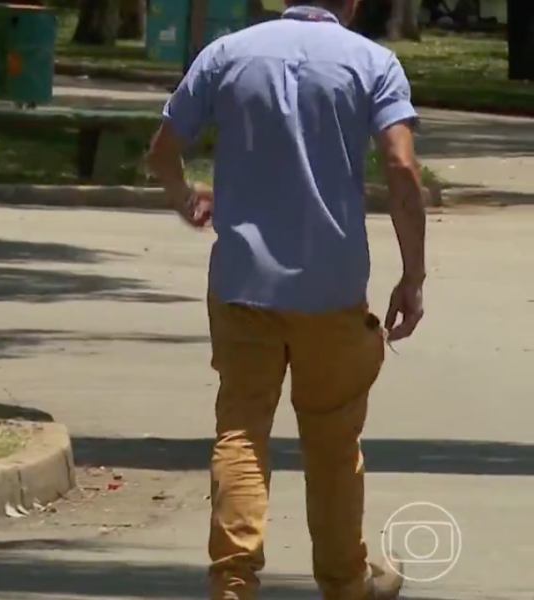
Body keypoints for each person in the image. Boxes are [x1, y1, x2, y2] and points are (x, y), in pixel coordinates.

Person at [145, 1, 426, 599]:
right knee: (331, 440)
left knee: (241, 431)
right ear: (349, 3)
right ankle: (347, 580)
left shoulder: (226, 54)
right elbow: (401, 166)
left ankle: (233, 583)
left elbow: (162, 150)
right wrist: (414, 274)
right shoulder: (374, 62)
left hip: (242, 284)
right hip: (333, 287)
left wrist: (183, 195)